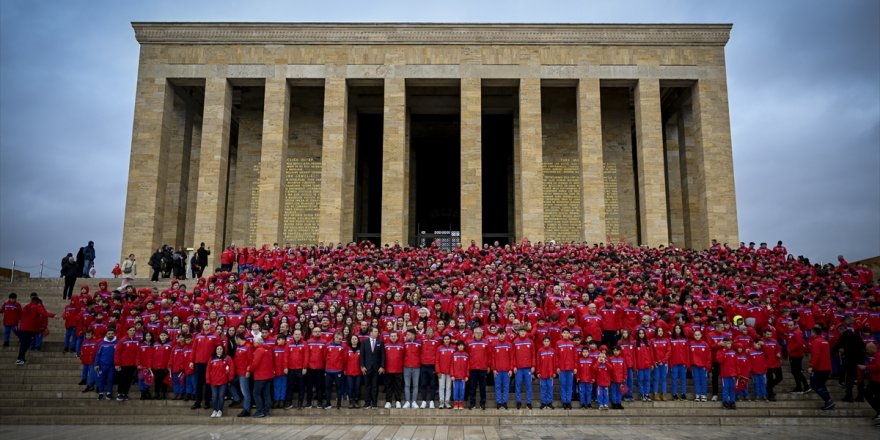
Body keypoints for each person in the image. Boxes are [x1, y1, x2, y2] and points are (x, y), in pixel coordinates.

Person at [15, 296, 54, 365]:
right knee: (26, 344)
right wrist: (53, 315)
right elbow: (44, 313)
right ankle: (19, 358)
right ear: (38, 302)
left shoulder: (26, 306)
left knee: (24, 344)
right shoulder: (36, 306)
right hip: (29, 329)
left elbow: (21, 315)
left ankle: (22, 358)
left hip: (22, 328)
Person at [808, 324, 836, 410]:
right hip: (827, 367)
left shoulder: (816, 342)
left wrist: (812, 366)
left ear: (814, 333)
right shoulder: (825, 341)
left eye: (811, 332)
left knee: (814, 384)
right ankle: (828, 401)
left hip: (819, 368)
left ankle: (828, 400)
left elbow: (816, 355)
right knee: (822, 385)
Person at [359, 327, 385, 409]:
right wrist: (362, 366)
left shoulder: (380, 342)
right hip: (366, 368)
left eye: (377, 331)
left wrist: (382, 366)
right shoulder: (364, 342)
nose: (377, 333)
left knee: (375, 386)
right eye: (375, 331)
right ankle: (367, 403)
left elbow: (383, 356)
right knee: (367, 386)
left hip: (376, 369)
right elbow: (362, 355)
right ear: (370, 332)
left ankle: (374, 403)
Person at [250, 336, 274, 418]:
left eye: (254, 342)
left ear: (257, 342)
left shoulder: (259, 350)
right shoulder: (268, 349)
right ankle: (266, 411)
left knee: (256, 393)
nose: (253, 343)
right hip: (268, 375)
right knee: (267, 394)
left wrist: (250, 369)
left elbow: (255, 363)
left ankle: (259, 411)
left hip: (260, 376)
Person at [207, 345, 234, 418]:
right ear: (215, 350)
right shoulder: (212, 359)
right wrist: (208, 379)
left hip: (223, 381)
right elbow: (208, 370)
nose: (219, 350)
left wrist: (230, 377)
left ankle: (220, 410)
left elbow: (231, 368)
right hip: (213, 381)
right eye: (218, 349)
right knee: (214, 397)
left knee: (221, 396)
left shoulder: (227, 358)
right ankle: (214, 410)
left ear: (223, 350)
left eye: (221, 349)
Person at [466, 327, 490, 410]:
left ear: (482, 333)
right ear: (474, 334)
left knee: (482, 387)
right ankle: (472, 403)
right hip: (473, 368)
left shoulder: (486, 342)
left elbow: (489, 355)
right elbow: (467, 356)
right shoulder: (469, 343)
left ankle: (482, 403)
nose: (478, 334)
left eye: (480, 332)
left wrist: (488, 366)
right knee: (472, 387)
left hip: (483, 368)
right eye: (476, 332)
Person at [230, 333, 254, 416]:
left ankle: (246, 409)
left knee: (245, 392)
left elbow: (251, 360)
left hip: (244, 373)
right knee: (230, 384)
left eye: (235, 340)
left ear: (238, 339)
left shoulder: (248, 346)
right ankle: (237, 398)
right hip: (237, 372)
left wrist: (248, 370)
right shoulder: (238, 347)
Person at [114, 326, 140, 401]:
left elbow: (138, 353)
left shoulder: (137, 341)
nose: (132, 332)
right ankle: (119, 394)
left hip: (132, 365)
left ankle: (125, 394)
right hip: (123, 364)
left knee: (129, 380)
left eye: (133, 330)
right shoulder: (123, 340)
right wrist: (117, 363)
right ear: (127, 331)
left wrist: (137, 363)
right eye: (130, 330)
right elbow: (117, 352)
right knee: (122, 379)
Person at [512, 326, 535, 410]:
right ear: (518, 332)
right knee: (518, 385)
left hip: (528, 368)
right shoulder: (515, 342)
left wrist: (533, 365)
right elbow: (513, 356)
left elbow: (533, 355)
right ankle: (518, 402)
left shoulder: (530, 342)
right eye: (521, 331)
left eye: (524, 331)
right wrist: (514, 366)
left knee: (529, 385)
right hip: (518, 368)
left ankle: (528, 403)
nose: (522, 333)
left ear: (526, 332)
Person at [490, 330, 513, 409]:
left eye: (503, 334)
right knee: (498, 386)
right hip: (497, 370)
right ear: (498, 335)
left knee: (506, 387)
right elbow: (492, 358)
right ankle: (499, 402)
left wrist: (510, 369)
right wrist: (494, 369)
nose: (502, 336)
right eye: (500, 334)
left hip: (507, 370)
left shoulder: (509, 345)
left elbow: (511, 358)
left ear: (505, 334)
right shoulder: (494, 344)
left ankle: (505, 402)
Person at [858, 342, 880, 423]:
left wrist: (866, 367)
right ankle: (879, 412)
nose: (867, 352)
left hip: (877, 380)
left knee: (869, 394)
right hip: (875, 379)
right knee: (872, 396)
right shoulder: (875, 355)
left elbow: (878, 366)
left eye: (867, 350)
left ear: (872, 348)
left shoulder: (878, 355)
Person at [94, 328, 117, 400]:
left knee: (110, 380)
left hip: (112, 366)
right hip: (102, 365)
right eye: (109, 334)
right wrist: (96, 364)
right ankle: (101, 394)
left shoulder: (117, 343)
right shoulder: (101, 343)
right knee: (101, 380)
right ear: (106, 334)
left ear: (114, 334)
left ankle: (108, 394)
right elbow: (98, 354)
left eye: (112, 334)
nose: (110, 335)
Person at [383, 331, 404, 408]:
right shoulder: (385, 345)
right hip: (388, 370)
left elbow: (404, 357)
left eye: (395, 336)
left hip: (398, 370)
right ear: (389, 337)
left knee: (398, 387)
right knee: (388, 387)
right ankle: (388, 401)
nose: (393, 337)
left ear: (398, 337)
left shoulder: (402, 345)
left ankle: (398, 401)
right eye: (391, 336)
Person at [402, 329, 421, 409]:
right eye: (407, 334)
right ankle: (407, 401)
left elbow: (421, 353)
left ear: (413, 335)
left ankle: (414, 401)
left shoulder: (419, 343)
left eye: (409, 334)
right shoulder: (405, 343)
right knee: (407, 385)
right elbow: (402, 354)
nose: (407, 336)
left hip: (416, 367)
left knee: (415, 385)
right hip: (406, 367)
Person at [435, 334, 455, 409]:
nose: (446, 340)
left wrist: (452, 372)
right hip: (441, 371)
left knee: (448, 387)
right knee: (441, 387)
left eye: (448, 339)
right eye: (445, 339)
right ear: (443, 340)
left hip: (450, 372)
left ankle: (447, 402)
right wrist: (438, 371)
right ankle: (441, 402)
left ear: (450, 340)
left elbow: (454, 360)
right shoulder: (439, 348)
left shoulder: (453, 348)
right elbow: (437, 360)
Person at [344, 334, 362, 408]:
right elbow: (344, 360)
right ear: (350, 340)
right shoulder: (347, 349)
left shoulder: (361, 349)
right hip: (349, 372)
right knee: (350, 387)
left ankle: (356, 401)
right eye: (352, 339)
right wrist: (344, 369)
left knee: (357, 387)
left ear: (358, 340)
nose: (354, 340)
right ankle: (351, 402)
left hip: (358, 372)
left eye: (355, 339)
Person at [451, 340, 469, 410]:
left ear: (464, 346)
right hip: (455, 377)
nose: (461, 347)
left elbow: (468, 366)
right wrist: (452, 375)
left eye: (462, 345)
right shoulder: (454, 354)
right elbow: (451, 365)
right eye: (459, 345)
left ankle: (461, 404)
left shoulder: (466, 355)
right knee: (456, 390)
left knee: (462, 390)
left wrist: (467, 375)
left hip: (463, 377)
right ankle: (456, 404)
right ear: (457, 347)